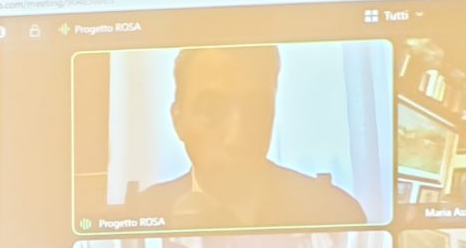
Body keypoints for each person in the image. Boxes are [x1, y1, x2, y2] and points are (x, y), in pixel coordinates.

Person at [121, 45, 367, 232]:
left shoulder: (333, 212)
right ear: (178, 120)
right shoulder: (139, 216)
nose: (235, 138)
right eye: (212, 109)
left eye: (256, 109)